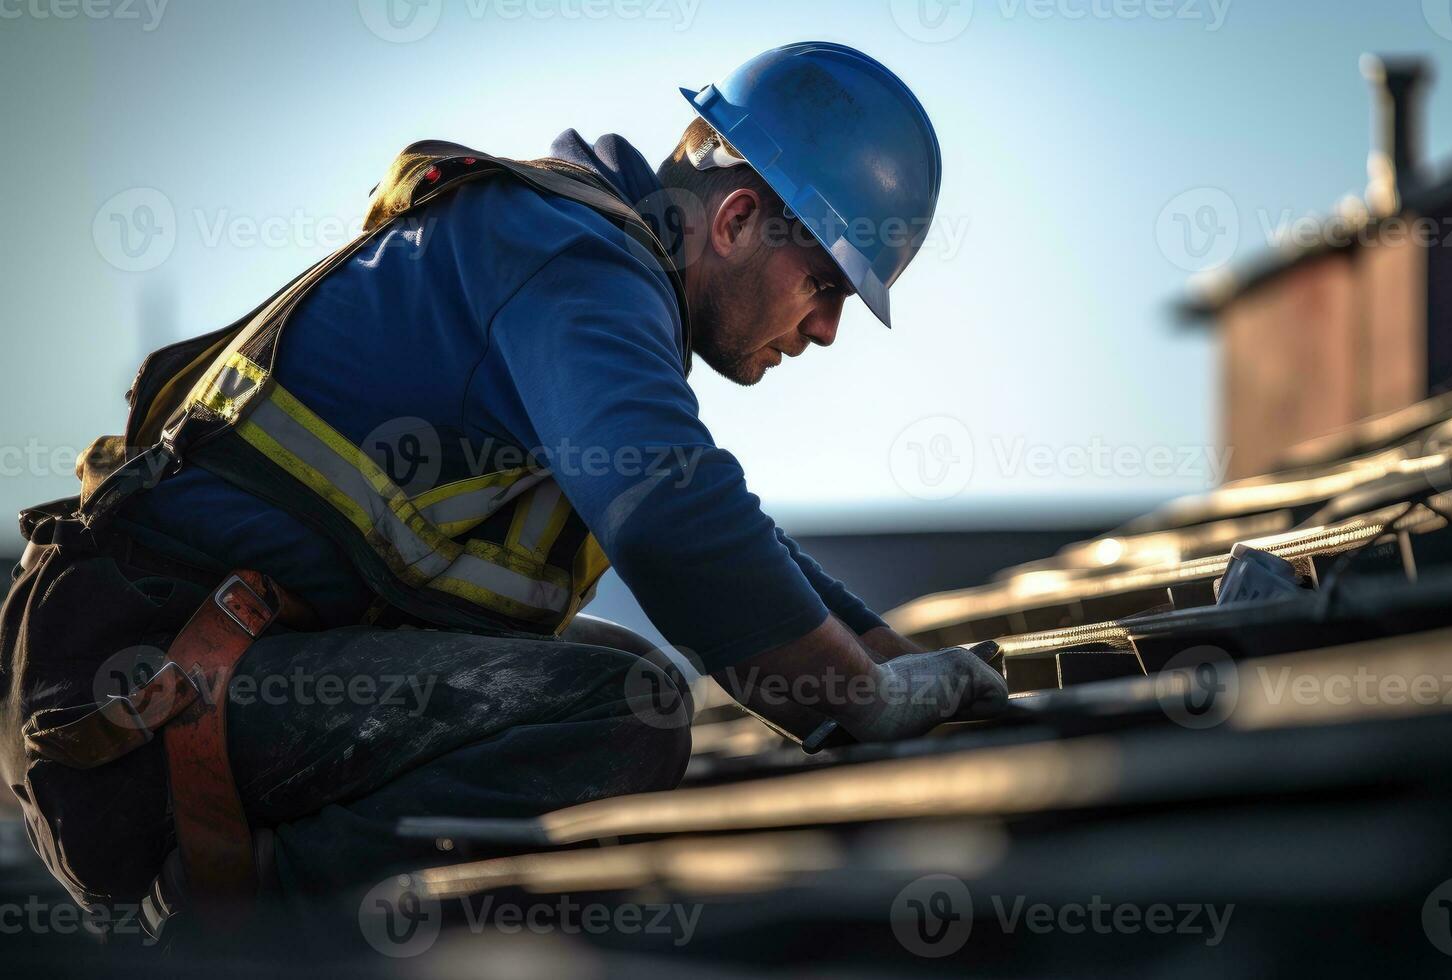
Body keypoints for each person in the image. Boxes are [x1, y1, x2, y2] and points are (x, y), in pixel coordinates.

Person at [0, 41, 1005, 936]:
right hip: (138, 692)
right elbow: (675, 516)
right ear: (738, 216)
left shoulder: (586, 264)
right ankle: (258, 935)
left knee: (614, 674)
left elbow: (739, 537)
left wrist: (905, 668)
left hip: (214, 672)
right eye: (826, 284)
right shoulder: (575, 257)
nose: (826, 329)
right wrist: (856, 697)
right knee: (625, 704)